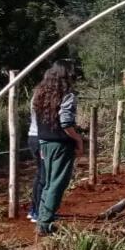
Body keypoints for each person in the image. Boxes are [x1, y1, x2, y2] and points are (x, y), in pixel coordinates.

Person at [33, 60, 84, 236]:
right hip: (61, 144)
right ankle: (45, 223)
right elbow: (66, 122)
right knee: (57, 183)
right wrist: (78, 139)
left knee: (48, 183)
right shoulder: (67, 95)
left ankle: (42, 219)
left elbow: (37, 120)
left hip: (45, 142)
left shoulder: (40, 93)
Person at [26, 95, 44, 224]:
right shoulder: (46, 96)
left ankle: (34, 210)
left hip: (33, 136)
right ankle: (38, 211)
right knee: (44, 176)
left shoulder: (37, 95)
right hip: (42, 138)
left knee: (40, 175)